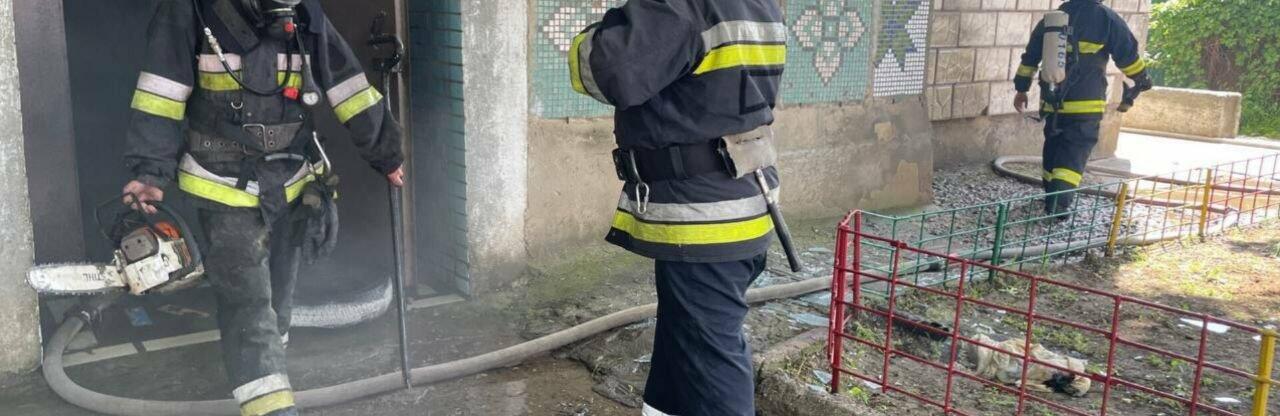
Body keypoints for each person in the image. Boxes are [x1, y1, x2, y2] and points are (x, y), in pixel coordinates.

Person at [120, 1, 403, 414]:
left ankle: (268, 378)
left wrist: (386, 153)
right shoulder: (190, 10)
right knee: (249, 304)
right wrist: (150, 172)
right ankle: (271, 407)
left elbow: (348, 86)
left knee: (277, 304)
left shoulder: (303, 13)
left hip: (290, 183)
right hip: (221, 185)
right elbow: (159, 94)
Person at [569, 1, 786, 414]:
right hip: (740, 201)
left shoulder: (678, 5)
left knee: (710, 361)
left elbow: (607, 70)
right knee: (683, 343)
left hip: (705, 218)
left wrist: (603, 28)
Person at [1013, 0, 1151, 216]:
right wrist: (1142, 77)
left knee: (1054, 146)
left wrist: (1021, 89)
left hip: (1052, 101)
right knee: (1074, 151)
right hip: (1086, 103)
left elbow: (1030, 57)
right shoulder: (1106, 18)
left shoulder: (1054, 18)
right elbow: (1127, 55)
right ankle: (1058, 204)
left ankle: (1050, 195)